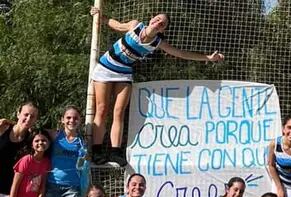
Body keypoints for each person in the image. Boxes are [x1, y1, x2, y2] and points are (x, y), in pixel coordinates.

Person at [89, 6, 224, 166]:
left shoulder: (158, 43)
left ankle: (115, 152)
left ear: (163, 30)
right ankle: (96, 151)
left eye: (163, 24)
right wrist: (100, 16)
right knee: (102, 109)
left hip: (124, 73)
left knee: (119, 112)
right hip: (105, 68)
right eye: (158, 19)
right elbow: (116, 24)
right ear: (152, 18)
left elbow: (181, 54)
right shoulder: (135, 26)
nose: (159, 22)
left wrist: (208, 57)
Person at [42, 106, 87, 197]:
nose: (72, 120)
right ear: (62, 120)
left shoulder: (82, 141)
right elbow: (32, 128)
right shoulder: (55, 136)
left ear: (80, 120)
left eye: (75, 118)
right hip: (52, 185)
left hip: (72, 188)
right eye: (68, 117)